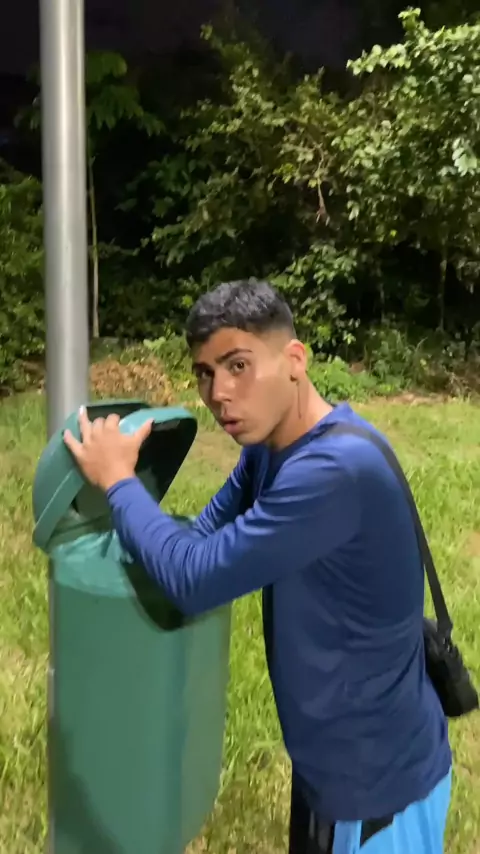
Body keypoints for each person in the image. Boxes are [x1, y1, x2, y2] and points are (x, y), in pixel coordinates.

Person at [64, 279, 452, 854]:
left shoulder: (334, 471)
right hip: (330, 766)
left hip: (380, 787)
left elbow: (194, 580)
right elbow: (200, 537)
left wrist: (119, 482)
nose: (219, 392)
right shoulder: (269, 452)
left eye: (238, 365)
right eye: (205, 373)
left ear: (294, 360)